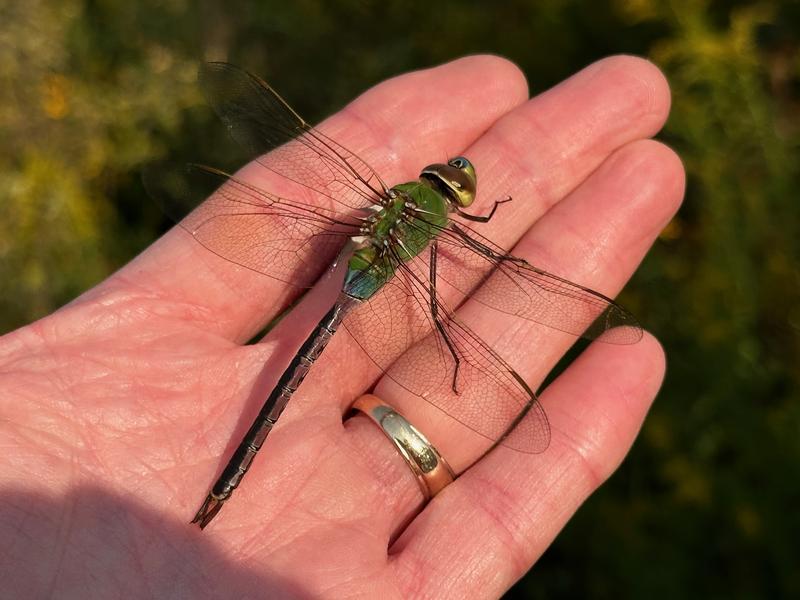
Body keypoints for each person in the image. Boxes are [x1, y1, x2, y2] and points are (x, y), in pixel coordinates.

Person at [0, 54, 682, 598]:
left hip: (354, 272)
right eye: (454, 183)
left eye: (452, 182)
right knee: (442, 318)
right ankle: (223, 494)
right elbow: (453, 279)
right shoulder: (447, 223)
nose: (452, 184)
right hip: (369, 285)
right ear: (455, 203)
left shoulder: (400, 198)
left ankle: (219, 494)